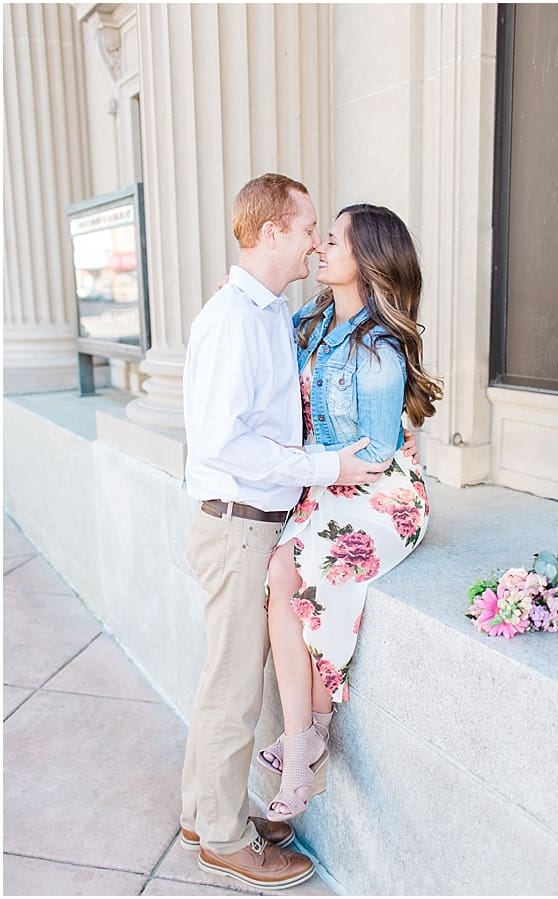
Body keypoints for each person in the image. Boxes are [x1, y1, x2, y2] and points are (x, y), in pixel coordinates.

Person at [180, 174, 393, 890]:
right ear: (272, 232)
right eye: (307, 228)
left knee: (226, 680)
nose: (315, 241)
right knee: (233, 689)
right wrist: (328, 463)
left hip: (262, 521)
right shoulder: (235, 319)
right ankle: (222, 837)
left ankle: (197, 811)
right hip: (238, 524)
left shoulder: (268, 309)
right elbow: (221, 444)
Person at [252, 203, 443, 821]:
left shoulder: (381, 347)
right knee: (281, 571)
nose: (319, 248)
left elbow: (381, 451)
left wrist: (313, 460)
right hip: (329, 479)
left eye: (331, 240)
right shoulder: (309, 321)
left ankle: (307, 739)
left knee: (301, 571)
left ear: (364, 261)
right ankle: (308, 739)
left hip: (380, 492)